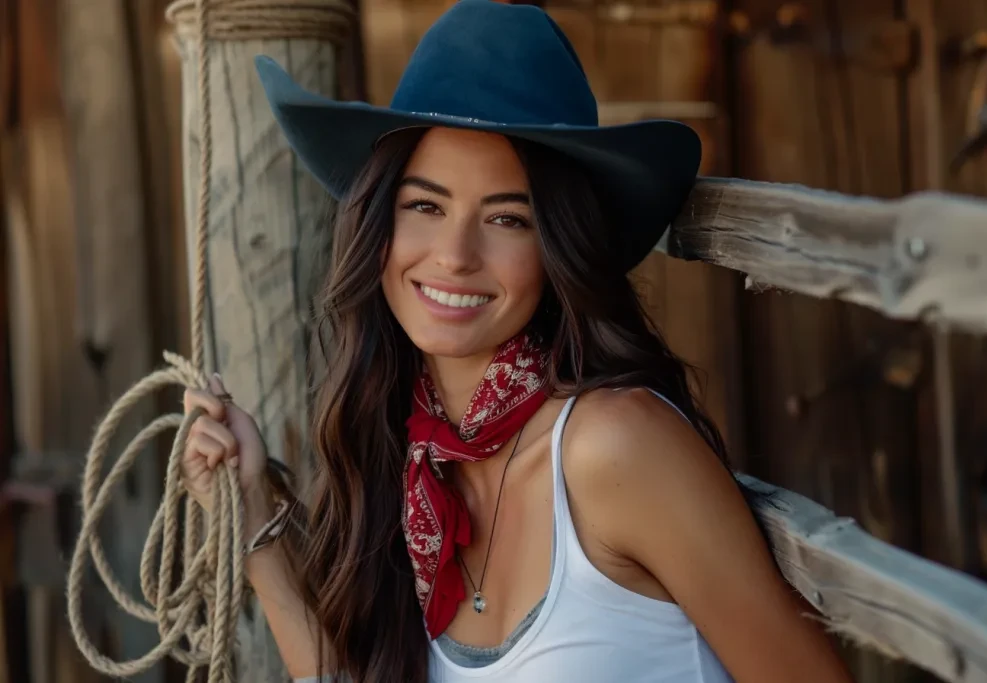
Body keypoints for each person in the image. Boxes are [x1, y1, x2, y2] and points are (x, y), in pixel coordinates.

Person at [182, 2, 854, 682]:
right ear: (377, 225)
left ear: (557, 247)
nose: (453, 255)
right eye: (425, 205)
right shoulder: (411, 472)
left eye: (507, 218)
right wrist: (253, 526)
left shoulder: (615, 447)